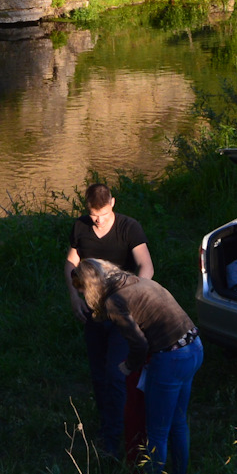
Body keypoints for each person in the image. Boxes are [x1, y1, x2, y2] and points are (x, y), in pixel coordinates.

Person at [72, 259, 203, 474]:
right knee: (178, 422)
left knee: (156, 432)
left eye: (83, 289)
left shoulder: (115, 301)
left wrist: (129, 366)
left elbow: (139, 344)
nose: (84, 294)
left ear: (90, 286)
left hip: (170, 358)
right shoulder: (139, 282)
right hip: (194, 347)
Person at [65, 184, 154, 458]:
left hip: (122, 312)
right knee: (99, 374)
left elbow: (146, 266)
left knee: (117, 374)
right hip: (93, 312)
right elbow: (71, 263)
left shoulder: (129, 228)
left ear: (113, 204)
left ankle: (117, 439)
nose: (98, 220)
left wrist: (132, 296)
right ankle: (107, 427)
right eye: (93, 215)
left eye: (102, 213)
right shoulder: (80, 228)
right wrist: (74, 298)